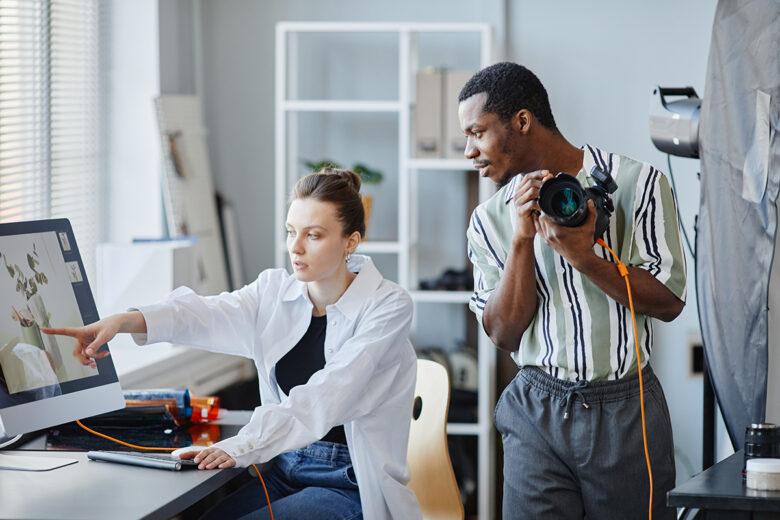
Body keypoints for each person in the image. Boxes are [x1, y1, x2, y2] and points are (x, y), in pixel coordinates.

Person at [43, 169, 422, 520]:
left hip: (350, 484)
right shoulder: (274, 291)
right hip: (284, 467)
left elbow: (327, 395)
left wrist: (240, 446)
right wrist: (122, 321)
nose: (296, 247)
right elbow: (204, 313)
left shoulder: (387, 306)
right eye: (291, 231)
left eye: (314, 235)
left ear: (350, 242)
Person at [459, 62, 686, 519]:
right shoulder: (488, 222)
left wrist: (585, 258)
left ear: (522, 122)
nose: (469, 151)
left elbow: (669, 301)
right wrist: (521, 241)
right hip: (534, 409)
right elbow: (503, 334)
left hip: (626, 409)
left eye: (477, 132)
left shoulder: (637, 185)